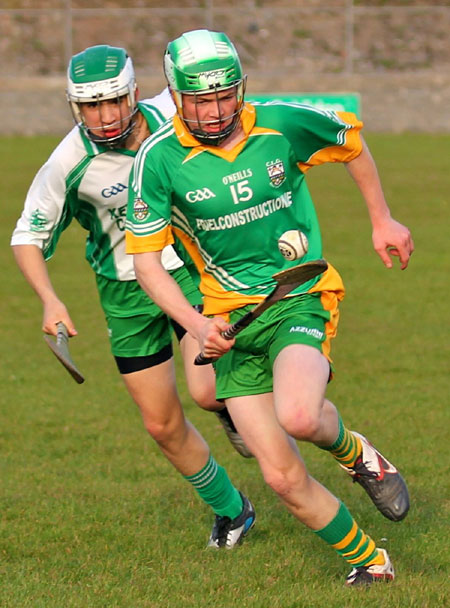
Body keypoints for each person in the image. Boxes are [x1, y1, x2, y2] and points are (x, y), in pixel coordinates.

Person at [125, 29, 414, 586]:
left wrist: (382, 219)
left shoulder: (280, 122)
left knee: (300, 415)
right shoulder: (158, 161)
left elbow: (351, 141)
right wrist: (195, 324)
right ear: (174, 95)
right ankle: (372, 564)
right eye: (199, 100)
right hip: (231, 321)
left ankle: (357, 454)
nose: (213, 111)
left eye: (224, 96)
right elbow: (147, 265)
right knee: (281, 477)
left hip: (297, 293)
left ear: (241, 89)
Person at [10, 44, 256, 549]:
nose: (104, 117)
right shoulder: (68, 161)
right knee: (161, 425)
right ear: (75, 107)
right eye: (90, 107)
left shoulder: (174, 116)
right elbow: (26, 237)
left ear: (135, 93)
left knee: (207, 390)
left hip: (187, 272)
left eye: (115, 102)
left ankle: (229, 407)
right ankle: (233, 511)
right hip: (124, 295)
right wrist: (50, 300)